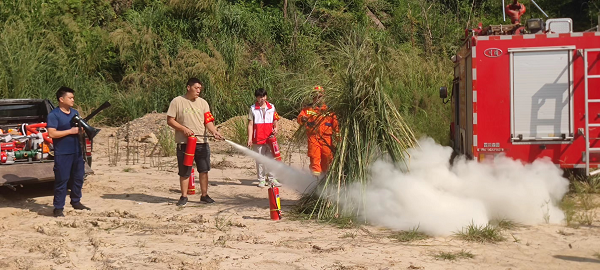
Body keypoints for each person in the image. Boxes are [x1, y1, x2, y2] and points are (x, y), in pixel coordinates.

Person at [167, 78, 224, 206]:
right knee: (185, 170)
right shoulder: (177, 101)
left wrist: (214, 132)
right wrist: (183, 129)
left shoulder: (203, 103)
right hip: (184, 143)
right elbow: (170, 120)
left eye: (200, 89)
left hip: (201, 143)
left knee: (204, 170)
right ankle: (184, 196)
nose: (198, 91)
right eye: (196, 88)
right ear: (188, 87)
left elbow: (208, 121)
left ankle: (204, 195)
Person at [47, 86, 90, 217]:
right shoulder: (54, 115)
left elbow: (79, 129)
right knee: (62, 180)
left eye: (73, 98)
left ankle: (76, 201)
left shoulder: (75, 113)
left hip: (77, 151)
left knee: (78, 178)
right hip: (63, 153)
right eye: (70, 98)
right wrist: (70, 131)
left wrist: (82, 131)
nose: (73, 100)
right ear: (61, 99)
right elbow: (52, 133)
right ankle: (58, 208)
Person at [297, 86, 339, 177]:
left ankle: (324, 180)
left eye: (320, 96)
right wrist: (302, 119)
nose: (317, 98)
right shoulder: (307, 109)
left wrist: (339, 140)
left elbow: (336, 127)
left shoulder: (329, 110)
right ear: (313, 97)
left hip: (327, 139)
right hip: (313, 138)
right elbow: (300, 118)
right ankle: (315, 182)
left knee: (327, 159)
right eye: (315, 96)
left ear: (323, 96)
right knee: (314, 158)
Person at [247, 88, 282, 187]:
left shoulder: (272, 107)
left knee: (271, 159)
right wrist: (250, 138)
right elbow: (250, 124)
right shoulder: (253, 108)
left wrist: (276, 129)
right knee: (260, 160)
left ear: (266, 97)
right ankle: (261, 179)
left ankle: (272, 179)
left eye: (263, 96)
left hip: (270, 138)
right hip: (258, 138)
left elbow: (275, 121)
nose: (261, 99)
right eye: (259, 97)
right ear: (256, 98)